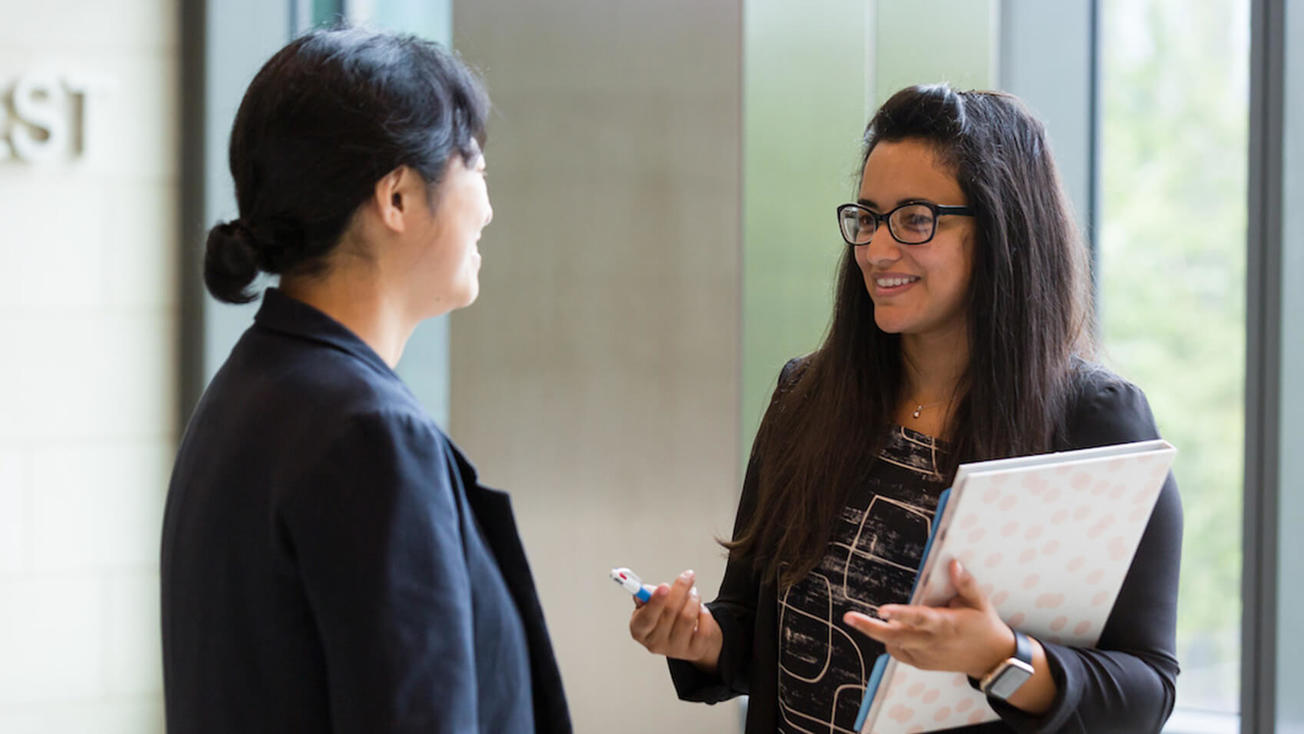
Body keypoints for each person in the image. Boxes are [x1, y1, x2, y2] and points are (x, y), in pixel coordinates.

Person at [627, 84, 1182, 733]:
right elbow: (760, 627)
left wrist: (1002, 659)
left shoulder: (1095, 423)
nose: (876, 250)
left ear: (1001, 231)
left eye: (915, 220)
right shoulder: (807, 397)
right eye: (867, 218)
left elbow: (1145, 691)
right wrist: (700, 639)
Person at [161, 28, 570, 734]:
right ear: (398, 197)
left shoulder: (252, 389)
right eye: (472, 162)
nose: (487, 206)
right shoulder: (370, 435)